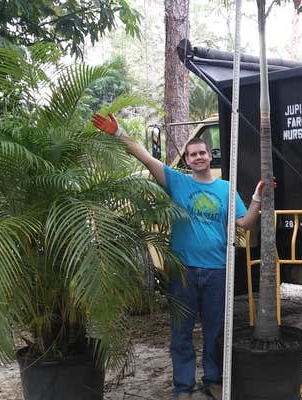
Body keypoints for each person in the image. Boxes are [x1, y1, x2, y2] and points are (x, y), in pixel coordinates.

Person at [91, 113, 262, 400]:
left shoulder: (226, 189)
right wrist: (119, 132)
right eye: (192, 154)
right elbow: (146, 158)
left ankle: (213, 380)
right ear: (188, 159)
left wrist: (257, 198)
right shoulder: (178, 183)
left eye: (202, 153)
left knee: (215, 332)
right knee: (181, 333)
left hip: (217, 271)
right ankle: (183, 386)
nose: (197, 157)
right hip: (183, 271)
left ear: (210, 156)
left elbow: (244, 224)